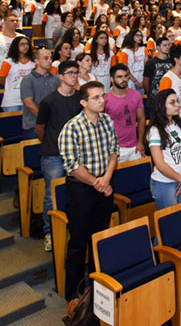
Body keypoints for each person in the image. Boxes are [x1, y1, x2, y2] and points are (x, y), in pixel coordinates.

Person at [58, 81, 119, 300]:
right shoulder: (72, 127)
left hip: (104, 185)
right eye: (96, 97)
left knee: (99, 238)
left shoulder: (107, 121)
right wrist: (98, 182)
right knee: (78, 242)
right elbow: (72, 166)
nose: (102, 100)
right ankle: (73, 294)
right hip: (82, 190)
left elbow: (114, 151)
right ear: (83, 102)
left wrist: (108, 177)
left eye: (103, 96)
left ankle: (96, 286)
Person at [35, 59, 81, 251]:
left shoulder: (80, 98)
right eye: (70, 72)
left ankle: (72, 228)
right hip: (53, 154)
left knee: (76, 193)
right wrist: (55, 143)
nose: (74, 76)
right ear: (60, 76)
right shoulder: (49, 101)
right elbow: (40, 129)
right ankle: (50, 233)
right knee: (51, 196)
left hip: (76, 153)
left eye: (76, 72)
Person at [147, 88, 181, 210]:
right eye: (172, 102)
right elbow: (160, 164)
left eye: (177, 101)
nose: (177, 105)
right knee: (171, 222)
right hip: (164, 183)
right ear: (162, 106)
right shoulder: (155, 130)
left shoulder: (178, 124)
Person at [104, 63, 146, 162]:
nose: (124, 79)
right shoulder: (105, 100)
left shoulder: (136, 94)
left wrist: (140, 142)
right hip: (116, 148)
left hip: (135, 146)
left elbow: (142, 119)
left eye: (126, 76)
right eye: (119, 77)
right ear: (111, 79)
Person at [20, 47, 58, 141]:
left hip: (53, 125)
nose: (50, 61)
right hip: (33, 124)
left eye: (51, 58)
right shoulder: (28, 79)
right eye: (46, 58)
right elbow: (28, 103)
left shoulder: (55, 78)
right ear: (36, 61)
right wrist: (45, 118)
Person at [0, 36, 34, 112]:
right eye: (22, 44)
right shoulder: (8, 62)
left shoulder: (33, 62)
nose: (25, 46)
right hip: (12, 100)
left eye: (27, 44)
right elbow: (1, 80)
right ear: (16, 46)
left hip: (29, 100)